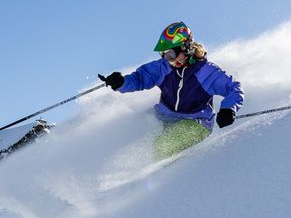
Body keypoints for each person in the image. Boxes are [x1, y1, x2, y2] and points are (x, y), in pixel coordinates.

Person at [100, 22, 244, 158]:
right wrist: (122, 82)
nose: (168, 59)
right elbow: (141, 78)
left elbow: (234, 88)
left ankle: (160, 178)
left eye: (170, 54)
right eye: (163, 55)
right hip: (164, 116)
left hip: (195, 122)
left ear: (186, 47)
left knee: (162, 146)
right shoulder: (164, 67)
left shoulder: (206, 72)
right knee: (130, 126)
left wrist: (228, 108)